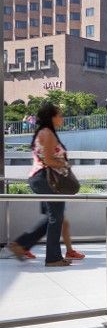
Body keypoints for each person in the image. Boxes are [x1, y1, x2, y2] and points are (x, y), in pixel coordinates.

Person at [5, 103, 76, 266]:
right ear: (52, 117)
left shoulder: (44, 132)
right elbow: (49, 160)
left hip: (41, 179)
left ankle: (21, 244)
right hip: (46, 179)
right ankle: (53, 258)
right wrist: (65, 165)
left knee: (52, 217)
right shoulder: (48, 133)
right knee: (55, 218)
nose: (62, 118)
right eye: (59, 115)